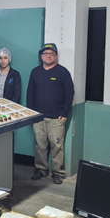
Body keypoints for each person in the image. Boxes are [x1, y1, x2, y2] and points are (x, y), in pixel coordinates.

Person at [27, 43, 74, 184]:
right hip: (38, 117)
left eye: (51, 54)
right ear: (41, 56)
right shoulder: (35, 72)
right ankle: (41, 169)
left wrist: (64, 113)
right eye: (46, 53)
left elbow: (70, 94)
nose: (48, 56)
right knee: (40, 145)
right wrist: (31, 112)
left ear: (56, 56)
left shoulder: (63, 72)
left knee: (57, 146)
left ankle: (57, 172)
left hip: (56, 118)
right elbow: (30, 94)